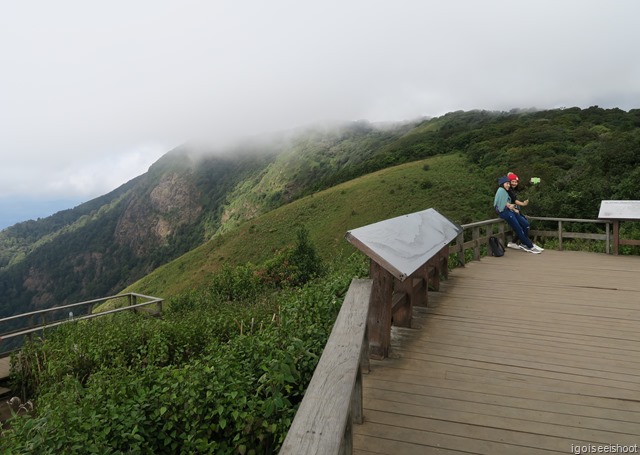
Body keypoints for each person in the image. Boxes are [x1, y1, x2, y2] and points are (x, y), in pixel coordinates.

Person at [493, 176, 541, 254]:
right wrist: (510, 206)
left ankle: (527, 245)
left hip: (510, 211)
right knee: (519, 229)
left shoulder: (504, 191)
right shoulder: (501, 190)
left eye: (509, 183)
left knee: (523, 226)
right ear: (502, 184)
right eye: (507, 183)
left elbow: (505, 202)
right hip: (505, 213)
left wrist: (513, 208)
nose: (508, 185)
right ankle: (530, 246)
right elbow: (500, 204)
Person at [505, 172, 544, 251]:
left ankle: (517, 242)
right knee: (523, 226)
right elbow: (513, 201)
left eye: (516, 182)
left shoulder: (513, 189)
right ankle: (525, 243)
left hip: (516, 211)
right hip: (511, 211)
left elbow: (523, 187)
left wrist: (534, 180)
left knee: (525, 225)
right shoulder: (507, 190)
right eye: (512, 181)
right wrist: (522, 204)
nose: (514, 183)